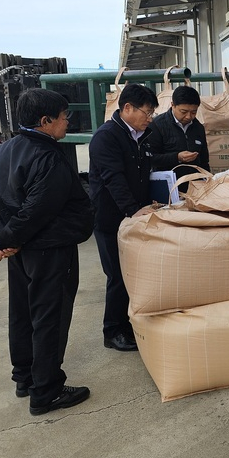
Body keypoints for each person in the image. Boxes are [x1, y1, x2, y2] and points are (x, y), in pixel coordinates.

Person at [0, 88, 94, 416]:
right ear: (45, 121)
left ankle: (25, 376)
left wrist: (6, 239)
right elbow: (37, 209)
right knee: (49, 318)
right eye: (63, 117)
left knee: (23, 313)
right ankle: (46, 390)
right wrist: (7, 241)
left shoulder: (2, 152)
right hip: (49, 249)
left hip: (24, 250)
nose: (67, 122)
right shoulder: (47, 156)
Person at [89, 83, 158, 352]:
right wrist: (132, 209)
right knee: (117, 275)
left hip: (133, 216)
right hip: (111, 219)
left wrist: (146, 203)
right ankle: (112, 331)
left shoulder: (140, 135)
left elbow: (142, 174)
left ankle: (127, 324)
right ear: (127, 108)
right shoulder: (107, 137)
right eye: (147, 112)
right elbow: (113, 179)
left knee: (132, 273)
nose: (149, 118)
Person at [148, 85, 210, 180]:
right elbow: (151, 158)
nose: (189, 116)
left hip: (195, 186)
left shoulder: (198, 128)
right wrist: (177, 157)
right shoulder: (157, 125)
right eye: (183, 112)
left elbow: (204, 161)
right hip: (168, 185)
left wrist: (207, 178)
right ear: (172, 105)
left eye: (193, 112)